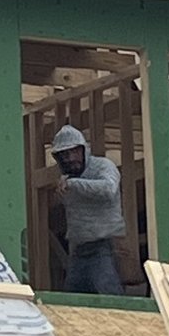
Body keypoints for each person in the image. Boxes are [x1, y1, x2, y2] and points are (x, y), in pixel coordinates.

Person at [49, 124, 125, 294]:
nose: (68, 159)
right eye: (63, 156)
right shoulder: (67, 178)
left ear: (83, 150)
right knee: (73, 302)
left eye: (72, 153)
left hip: (104, 247)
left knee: (112, 300)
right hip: (79, 250)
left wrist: (73, 184)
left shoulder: (103, 166)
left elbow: (109, 189)